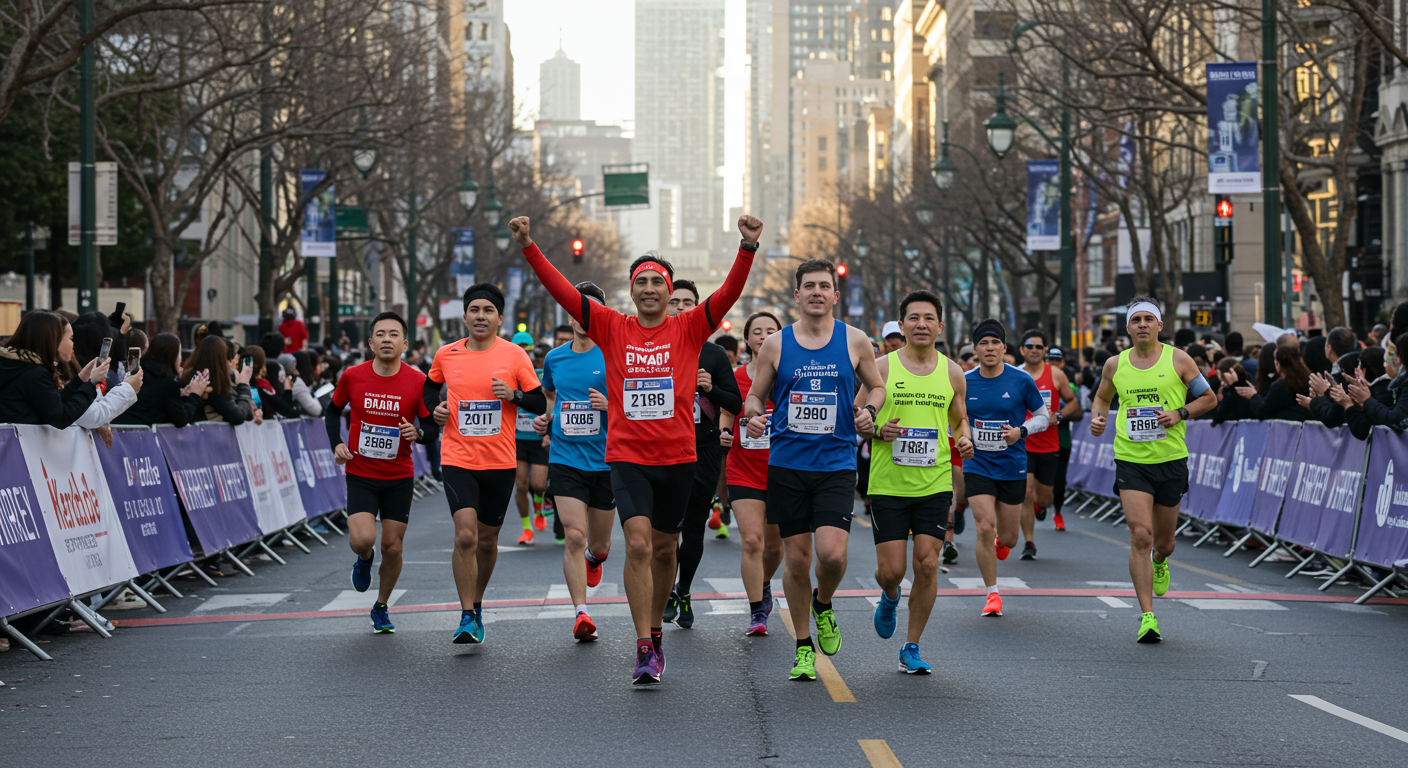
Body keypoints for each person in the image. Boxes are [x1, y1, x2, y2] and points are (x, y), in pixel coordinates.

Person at [513, 213, 760, 686]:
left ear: (669, 292)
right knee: (640, 545)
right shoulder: (610, 326)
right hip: (627, 457)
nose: (649, 288)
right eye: (641, 281)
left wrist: (746, 247)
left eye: (657, 282)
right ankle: (644, 646)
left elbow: (727, 294)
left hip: (679, 459)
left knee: (666, 549)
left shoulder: (689, 328)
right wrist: (528, 246)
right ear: (631, 290)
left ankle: (656, 634)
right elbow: (563, 291)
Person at [743, 257, 884, 682]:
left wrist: (869, 413)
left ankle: (823, 604)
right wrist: (752, 415)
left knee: (832, 554)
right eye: (810, 286)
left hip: (837, 463)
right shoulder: (777, 345)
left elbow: (876, 385)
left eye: (825, 286)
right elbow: (755, 397)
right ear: (797, 295)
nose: (817, 292)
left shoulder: (856, 341)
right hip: (787, 464)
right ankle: (804, 646)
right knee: (798, 558)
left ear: (835, 296)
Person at [424, 282, 548, 646]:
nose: (480, 316)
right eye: (474, 310)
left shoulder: (514, 356)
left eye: (488, 310)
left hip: (499, 460)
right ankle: (465, 614)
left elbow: (539, 403)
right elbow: (430, 388)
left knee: (488, 541)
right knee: (466, 535)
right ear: (465, 316)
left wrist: (514, 395)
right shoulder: (446, 355)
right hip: (458, 457)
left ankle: (476, 604)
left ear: (499, 318)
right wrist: (437, 409)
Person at [1089, 297, 1216, 643]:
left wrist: (1180, 413)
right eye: (1136, 320)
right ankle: (1148, 616)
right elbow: (1102, 397)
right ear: (1127, 328)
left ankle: (1161, 559)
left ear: (1160, 325)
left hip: (1170, 459)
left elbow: (1209, 399)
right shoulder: (1115, 365)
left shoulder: (1179, 359)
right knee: (1140, 535)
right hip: (1131, 460)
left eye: (1149, 319)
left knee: (1164, 542)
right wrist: (1098, 417)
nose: (1142, 324)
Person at [865, 290, 973, 674]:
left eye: (929, 318)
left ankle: (911, 647)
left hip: (935, 482)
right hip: (889, 483)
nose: (921, 324)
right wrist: (877, 430)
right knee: (891, 571)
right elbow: (857, 416)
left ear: (939, 326)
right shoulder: (882, 368)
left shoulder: (953, 372)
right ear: (903, 324)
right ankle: (890, 595)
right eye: (914, 318)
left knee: (927, 564)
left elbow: (960, 419)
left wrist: (965, 437)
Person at [328, 312, 438, 634]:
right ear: (370, 343)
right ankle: (363, 559)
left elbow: (431, 427)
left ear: (404, 343)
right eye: (380, 334)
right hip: (361, 472)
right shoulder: (353, 376)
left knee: (393, 547)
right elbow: (333, 411)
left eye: (393, 334)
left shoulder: (418, 381)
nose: (386, 339)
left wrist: (417, 434)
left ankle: (381, 606)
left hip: (398, 476)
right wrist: (336, 443)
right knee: (364, 539)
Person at [533, 282, 615, 642]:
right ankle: (581, 612)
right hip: (566, 459)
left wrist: (610, 409)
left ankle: (595, 562)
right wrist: (546, 419)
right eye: (578, 310)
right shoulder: (555, 358)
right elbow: (552, 396)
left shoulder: (616, 354)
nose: (584, 318)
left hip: (607, 461)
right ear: (570, 314)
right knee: (574, 536)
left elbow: (638, 405)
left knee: (598, 546)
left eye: (591, 310)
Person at [660, 279, 743, 630]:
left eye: (688, 302)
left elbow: (736, 403)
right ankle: (664, 591)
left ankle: (685, 590)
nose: (680, 308)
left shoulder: (712, 354)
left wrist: (710, 388)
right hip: (661, 448)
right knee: (664, 530)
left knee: (693, 527)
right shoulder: (652, 349)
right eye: (674, 301)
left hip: (703, 448)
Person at [960, 319, 1050, 617]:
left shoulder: (1020, 380)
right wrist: (962, 438)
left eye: (994, 343)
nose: (989, 348)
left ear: (1004, 348)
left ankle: (1003, 542)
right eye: (983, 343)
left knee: (1009, 538)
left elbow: (1043, 416)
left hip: (1012, 465)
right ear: (975, 349)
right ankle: (992, 593)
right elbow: (953, 420)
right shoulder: (964, 380)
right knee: (984, 526)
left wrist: (1020, 431)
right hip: (978, 464)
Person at [721, 311, 784, 636]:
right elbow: (726, 415)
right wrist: (724, 432)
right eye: (756, 331)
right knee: (751, 540)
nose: (763, 336)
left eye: (770, 330)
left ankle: (764, 581)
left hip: (783, 470)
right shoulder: (735, 376)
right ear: (747, 339)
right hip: (743, 469)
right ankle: (757, 609)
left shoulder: (790, 375)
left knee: (774, 548)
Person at [1017, 329, 1080, 557]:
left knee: (1044, 499)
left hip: (1049, 445)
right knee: (1025, 492)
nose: (1034, 350)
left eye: (1039, 347)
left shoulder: (1055, 374)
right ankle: (1029, 543)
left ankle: (1040, 506)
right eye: (1030, 346)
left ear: (1044, 351)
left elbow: (1074, 404)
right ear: (1022, 350)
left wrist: (1059, 416)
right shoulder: (1015, 375)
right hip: (1023, 444)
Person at [0, 311, 101, 428]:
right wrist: (91, 384)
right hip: (19, 445)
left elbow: (52, 403)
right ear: (53, 340)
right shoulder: (34, 374)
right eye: (70, 338)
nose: (73, 344)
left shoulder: (17, 365)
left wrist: (80, 379)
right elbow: (61, 417)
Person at [114, 333, 209, 427]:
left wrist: (182, 396)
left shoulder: (139, 374)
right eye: (179, 353)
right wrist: (195, 395)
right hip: (138, 437)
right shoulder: (166, 383)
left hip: (120, 433)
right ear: (173, 356)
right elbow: (181, 419)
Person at [513, 339, 551, 545]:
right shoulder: (513, 373)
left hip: (538, 438)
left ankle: (539, 507)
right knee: (520, 484)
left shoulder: (546, 376)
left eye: (537, 356)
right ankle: (526, 528)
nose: (534, 359)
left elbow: (554, 400)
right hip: (518, 438)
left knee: (538, 484)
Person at [1225, 345, 1312, 421]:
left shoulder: (1280, 386)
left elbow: (1263, 410)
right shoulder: (1307, 381)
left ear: (1278, 364)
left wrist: (1253, 396)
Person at [1047, 347, 1082, 530]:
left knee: (1059, 481)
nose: (1053, 364)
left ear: (1062, 363)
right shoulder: (1034, 382)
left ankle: (1058, 513)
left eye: (1057, 361)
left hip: (1062, 441)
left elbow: (1079, 414)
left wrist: (1059, 415)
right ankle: (1041, 503)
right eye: (1050, 360)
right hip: (1037, 442)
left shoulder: (1070, 387)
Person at [182, 336, 254, 424]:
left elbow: (246, 413)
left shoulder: (188, 376)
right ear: (221, 359)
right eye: (228, 359)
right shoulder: (213, 383)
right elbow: (237, 416)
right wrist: (243, 384)